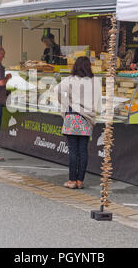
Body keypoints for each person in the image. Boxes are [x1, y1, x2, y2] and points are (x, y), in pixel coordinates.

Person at [54, 56, 101, 189]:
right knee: (83, 151)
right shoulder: (95, 81)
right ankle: (80, 181)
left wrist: (64, 102)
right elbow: (98, 100)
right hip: (87, 119)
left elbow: (56, 90)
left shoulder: (70, 80)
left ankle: (72, 181)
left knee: (73, 151)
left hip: (72, 117)